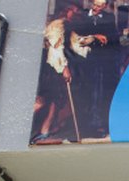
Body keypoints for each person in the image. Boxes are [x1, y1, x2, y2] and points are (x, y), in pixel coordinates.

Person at [30, 3, 82, 144]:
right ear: (66, 11)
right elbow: (56, 50)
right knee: (43, 100)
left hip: (56, 67)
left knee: (56, 100)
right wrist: (64, 68)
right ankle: (24, 130)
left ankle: (45, 130)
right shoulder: (56, 26)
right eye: (75, 11)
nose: (77, 14)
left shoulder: (66, 25)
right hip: (51, 66)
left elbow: (75, 43)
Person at [67, 0, 120, 139]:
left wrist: (107, 38)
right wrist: (94, 36)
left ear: (105, 6)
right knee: (87, 91)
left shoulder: (109, 17)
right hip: (84, 61)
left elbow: (115, 38)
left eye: (100, 5)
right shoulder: (82, 15)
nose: (97, 8)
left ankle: (99, 125)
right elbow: (74, 36)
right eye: (95, 4)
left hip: (103, 61)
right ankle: (86, 126)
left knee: (101, 92)